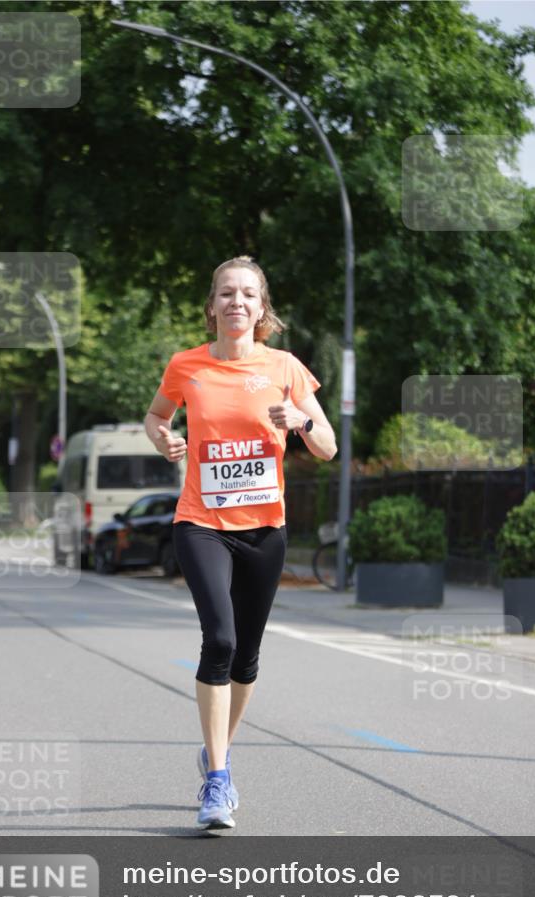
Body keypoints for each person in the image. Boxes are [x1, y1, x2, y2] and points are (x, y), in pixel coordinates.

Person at [144, 255, 337, 830]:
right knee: (221, 641)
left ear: (261, 309)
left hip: (264, 529)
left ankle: (216, 753)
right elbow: (156, 417)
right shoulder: (187, 365)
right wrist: (164, 439)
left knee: (247, 657)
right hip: (201, 522)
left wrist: (301, 421)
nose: (237, 302)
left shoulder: (285, 367)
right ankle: (218, 779)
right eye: (227, 293)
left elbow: (328, 446)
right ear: (212, 306)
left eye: (248, 294)